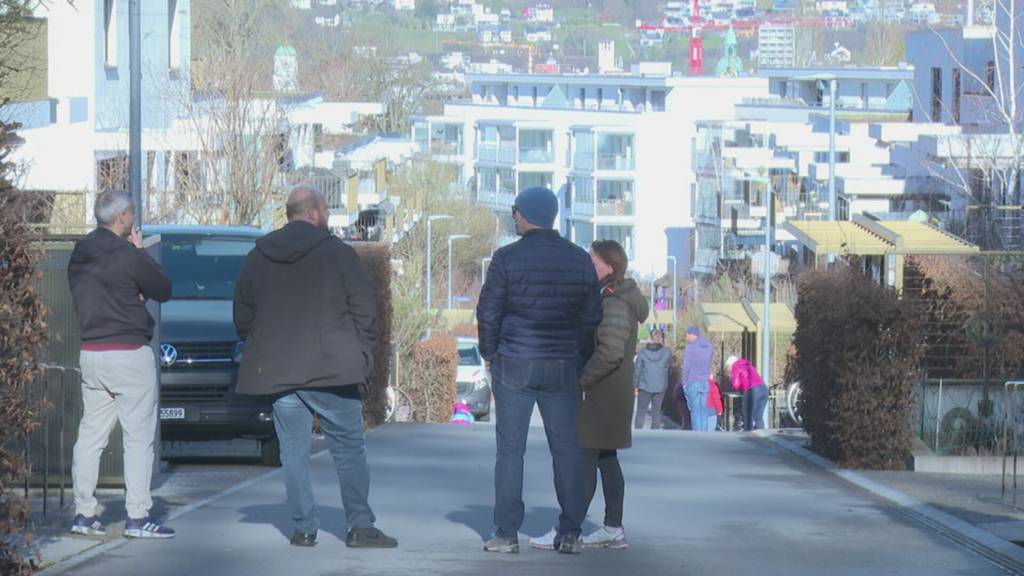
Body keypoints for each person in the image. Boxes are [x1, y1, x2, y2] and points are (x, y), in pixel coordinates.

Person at [233, 186, 397, 549]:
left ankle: (303, 529)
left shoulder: (259, 257)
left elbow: (242, 314)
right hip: (333, 371)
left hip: (281, 373)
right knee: (349, 448)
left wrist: (265, 348)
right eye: (323, 209)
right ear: (314, 213)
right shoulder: (338, 254)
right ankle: (360, 526)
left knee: (294, 452)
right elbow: (365, 312)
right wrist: (364, 358)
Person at [477, 187, 602, 555]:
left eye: (515, 210)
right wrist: (576, 355)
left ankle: (506, 533)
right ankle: (571, 531)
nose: (513, 216)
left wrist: (490, 354)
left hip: (515, 361)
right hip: (562, 365)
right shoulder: (579, 259)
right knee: (566, 449)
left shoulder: (506, 258)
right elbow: (592, 316)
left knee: (511, 450)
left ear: (527, 214)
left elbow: (488, 312)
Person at [67, 190, 175, 539]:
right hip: (129, 353)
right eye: (131, 214)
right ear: (123, 218)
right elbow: (162, 288)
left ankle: (84, 514)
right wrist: (141, 252)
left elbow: (99, 292)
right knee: (138, 437)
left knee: (90, 436)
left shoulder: (81, 252)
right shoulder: (129, 254)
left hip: (92, 353)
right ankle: (138, 517)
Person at [555, 240, 647, 550]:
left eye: (592, 263)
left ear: (609, 267)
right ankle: (612, 527)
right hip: (610, 393)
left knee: (585, 458)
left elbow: (610, 351)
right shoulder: (613, 297)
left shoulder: (614, 302)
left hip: (603, 394)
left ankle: (570, 530)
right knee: (606, 459)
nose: (588, 269)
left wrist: (581, 380)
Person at [634, 329, 672, 430]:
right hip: (660, 386)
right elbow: (670, 365)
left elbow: (637, 370)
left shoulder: (642, 353)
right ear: (661, 338)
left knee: (641, 410)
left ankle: (638, 431)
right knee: (656, 411)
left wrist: (635, 385)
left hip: (644, 385)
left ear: (650, 338)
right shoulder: (667, 352)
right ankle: (655, 432)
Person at [680, 327, 714, 431]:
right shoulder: (709, 346)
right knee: (703, 409)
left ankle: (697, 433)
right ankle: (704, 432)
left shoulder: (690, 348)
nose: (686, 338)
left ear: (692, 335)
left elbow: (686, 367)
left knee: (694, 410)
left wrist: (684, 382)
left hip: (692, 380)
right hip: (705, 381)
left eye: (687, 335)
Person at [727, 355, 769, 431]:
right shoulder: (748, 365)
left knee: (748, 417)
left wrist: (732, 378)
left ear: (730, 364)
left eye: (728, 367)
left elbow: (736, 384)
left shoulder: (735, 366)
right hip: (764, 389)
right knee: (758, 417)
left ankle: (748, 437)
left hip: (752, 390)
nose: (728, 369)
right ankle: (762, 437)